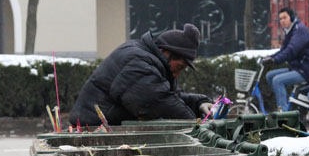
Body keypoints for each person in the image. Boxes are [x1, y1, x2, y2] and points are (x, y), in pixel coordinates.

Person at [68, 23, 212, 126]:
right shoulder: (138, 62)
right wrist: (197, 126)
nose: (176, 74)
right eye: (179, 67)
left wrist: (200, 103)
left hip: (105, 129)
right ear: (165, 52)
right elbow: (160, 103)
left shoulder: (147, 58)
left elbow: (170, 97)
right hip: (92, 132)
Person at [259, 7, 309, 111]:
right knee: (270, 76)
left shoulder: (299, 30)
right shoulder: (290, 31)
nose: (282, 21)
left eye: (284, 18)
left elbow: (291, 50)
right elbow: (283, 50)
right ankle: (285, 103)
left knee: (278, 80)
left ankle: (284, 113)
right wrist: (269, 58)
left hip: (305, 70)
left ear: (291, 17)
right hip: (296, 68)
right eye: (280, 19)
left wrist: (276, 60)